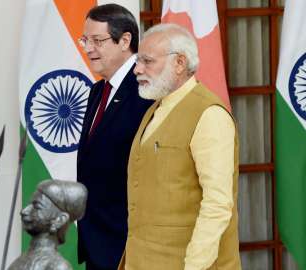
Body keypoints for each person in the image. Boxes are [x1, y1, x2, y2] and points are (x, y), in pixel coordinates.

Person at [119, 23, 242, 270]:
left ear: (180, 63)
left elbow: (217, 205)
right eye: (138, 61)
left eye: (147, 61)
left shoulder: (209, 115)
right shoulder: (156, 108)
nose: (137, 70)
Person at [76, 4, 153, 270]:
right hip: (96, 241)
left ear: (125, 41)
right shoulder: (98, 91)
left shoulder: (146, 90)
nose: (88, 48)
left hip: (128, 246)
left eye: (98, 40)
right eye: (85, 40)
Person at [8, 179, 87, 270]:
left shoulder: (58, 267)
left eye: (36, 206)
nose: (24, 211)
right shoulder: (21, 260)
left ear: (60, 219)